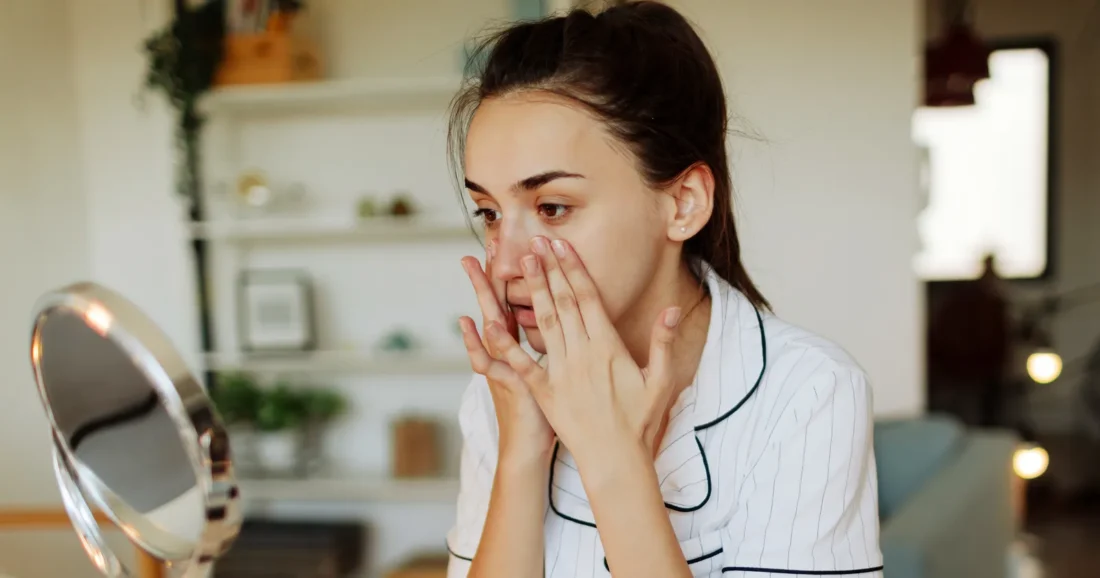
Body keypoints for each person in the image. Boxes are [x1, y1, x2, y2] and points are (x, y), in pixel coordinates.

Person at [446, 3, 881, 577]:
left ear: (683, 204)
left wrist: (615, 464)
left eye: (552, 208)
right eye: (490, 213)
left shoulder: (808, 395)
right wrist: (523, 452)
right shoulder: (505, 392)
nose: (503, 265)